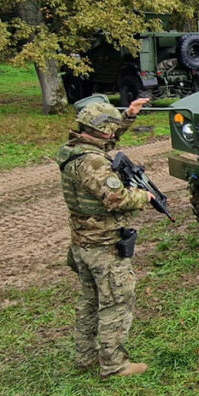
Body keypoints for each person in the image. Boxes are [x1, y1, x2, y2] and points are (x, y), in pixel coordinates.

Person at [57, 96, 154, 378]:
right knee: (116, 301)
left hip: (82, 243)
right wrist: (143, 196)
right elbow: (116, 198)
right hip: (103, 246)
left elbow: (106, 140)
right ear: (102, 131)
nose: (112, 136)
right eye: (110, 131)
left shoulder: (73, 150)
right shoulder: (93, 163)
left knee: (89, 301)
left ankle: (85, 356)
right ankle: (114, 365)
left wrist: (129, 116)